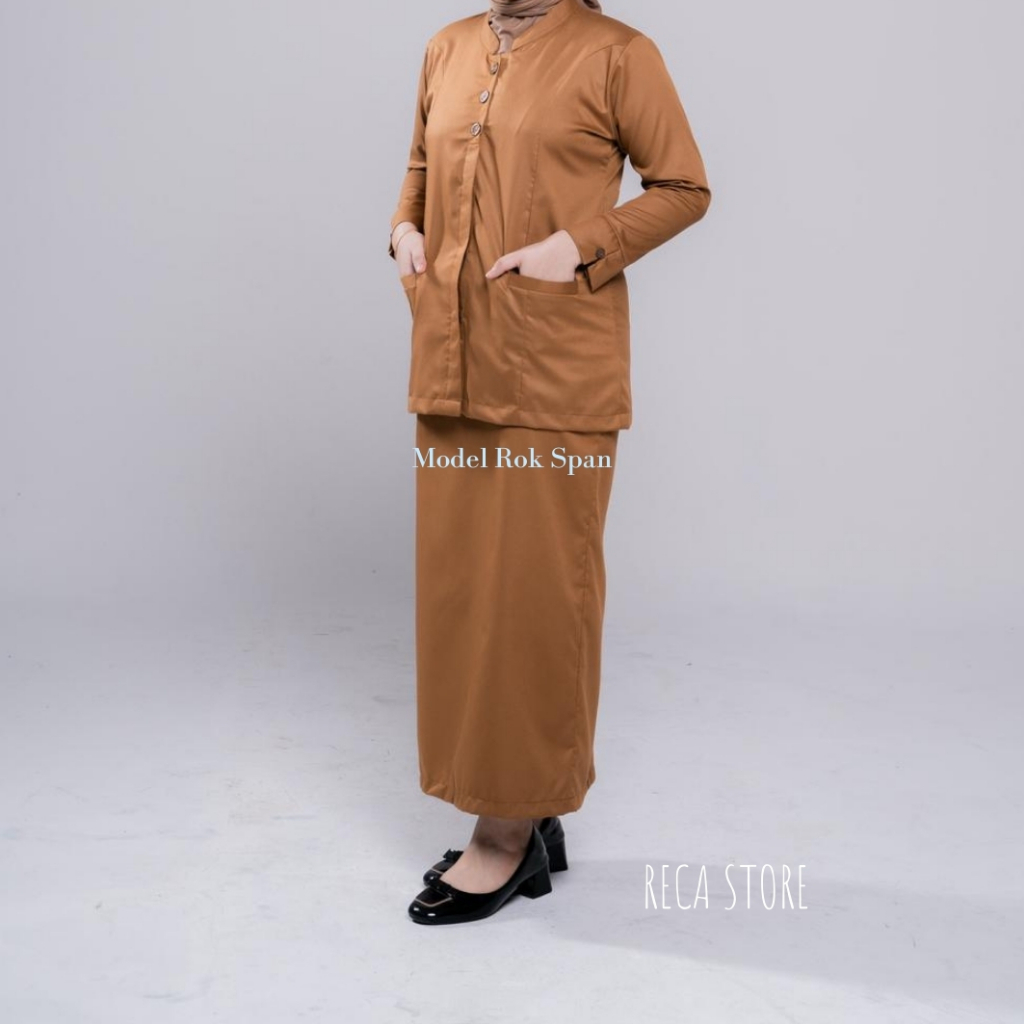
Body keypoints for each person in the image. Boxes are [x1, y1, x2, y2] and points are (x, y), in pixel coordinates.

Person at [388, 0, 711, 925]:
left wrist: (579, 247)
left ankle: (505, 836)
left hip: (552, 373)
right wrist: (404, 231)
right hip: (450, 363)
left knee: (532, 600)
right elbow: (420, 171)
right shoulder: (448, 47)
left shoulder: (618, 54)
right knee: (463, 598)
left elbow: (684, 186)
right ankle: (524, 813)